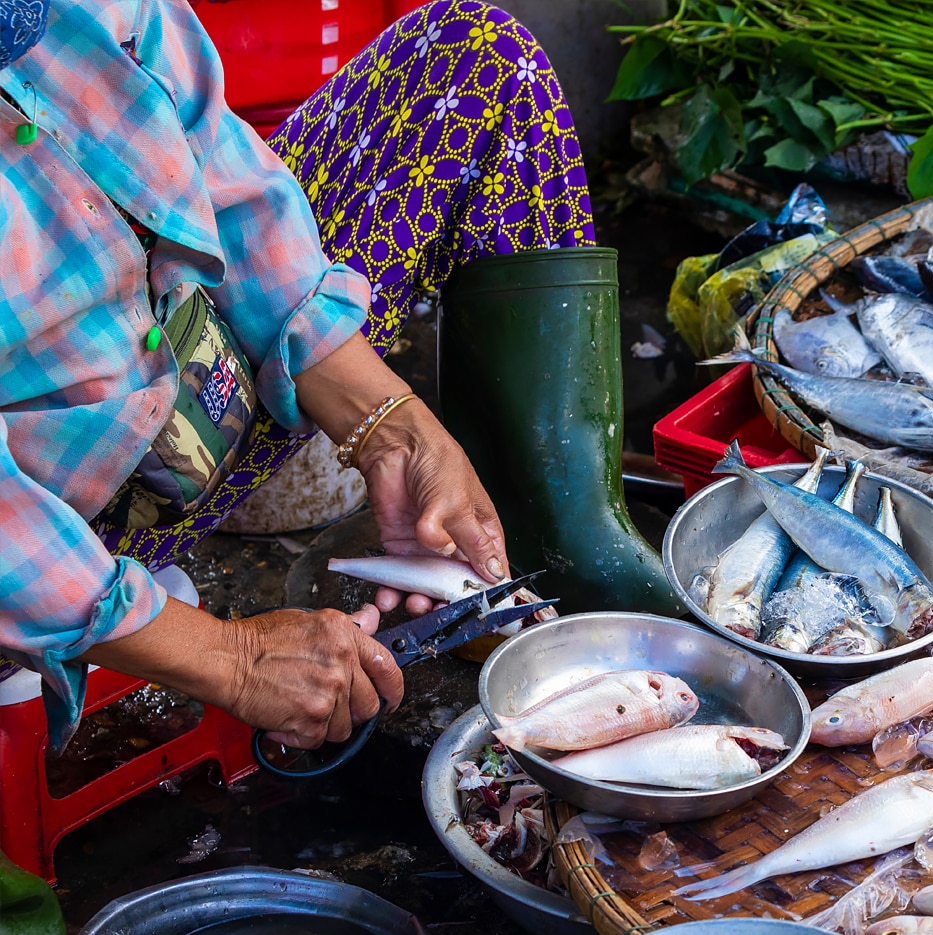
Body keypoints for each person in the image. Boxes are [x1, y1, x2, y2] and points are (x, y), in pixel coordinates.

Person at [0, 0, 673, 755]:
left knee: (474, 57)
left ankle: (545, 554)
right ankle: (87, 629)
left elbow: (228, 187)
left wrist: (392, 426)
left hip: (177, 389)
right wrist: (231, 658)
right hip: (45, 538)